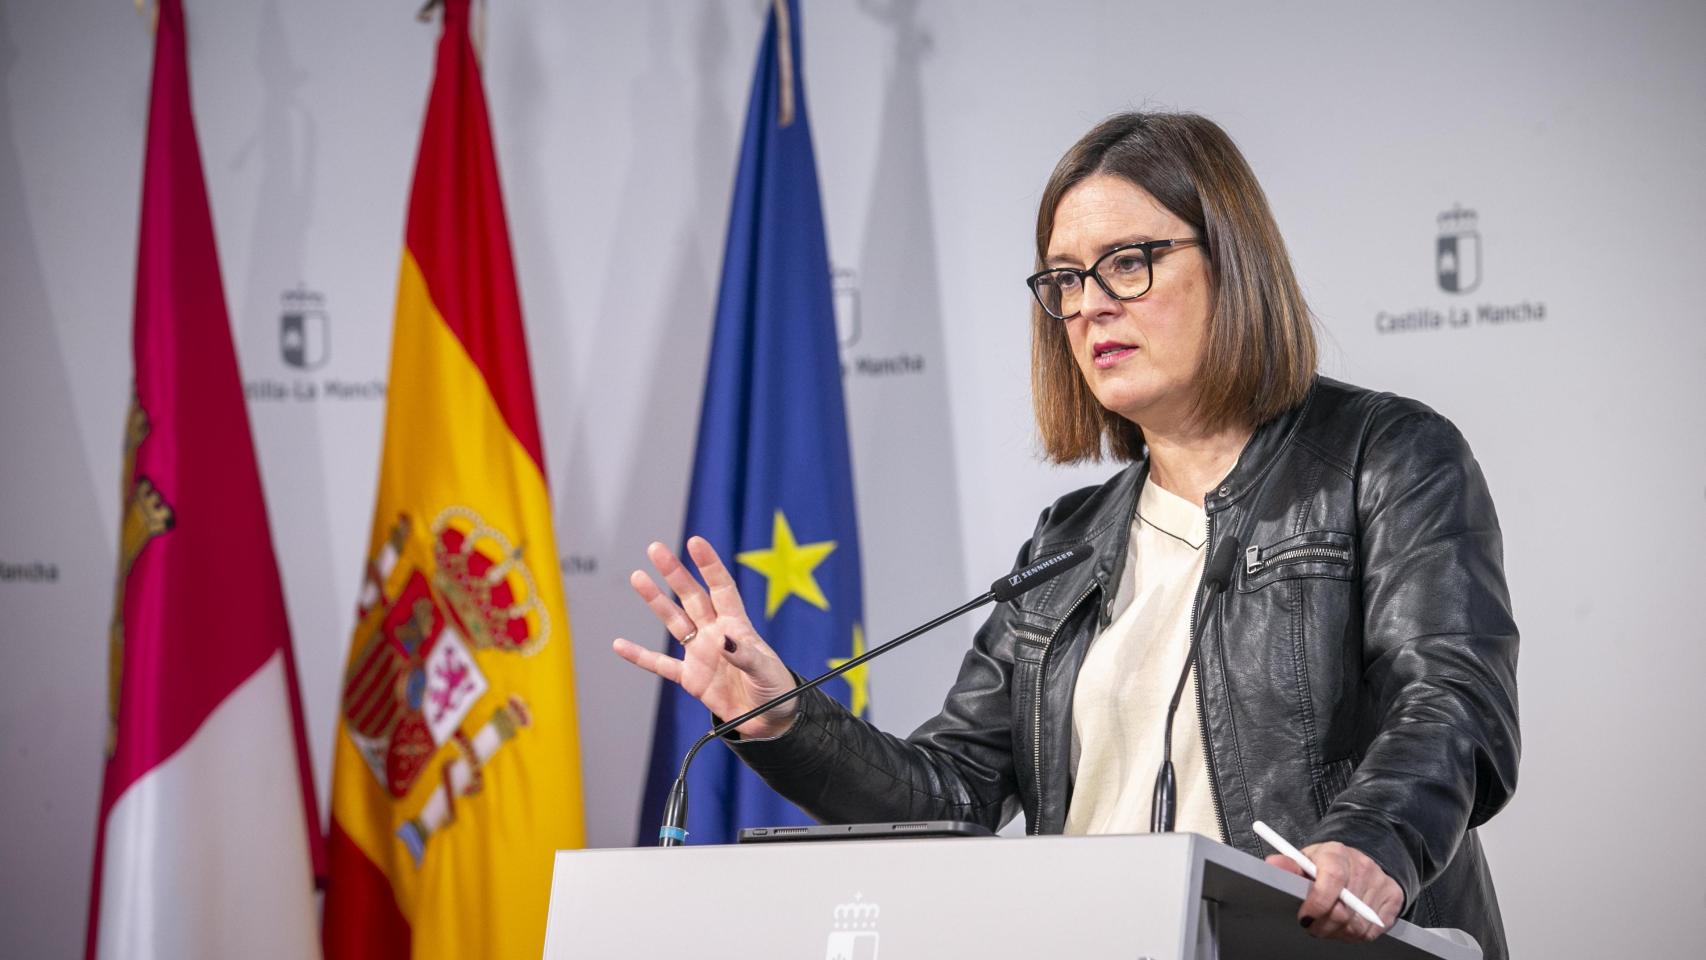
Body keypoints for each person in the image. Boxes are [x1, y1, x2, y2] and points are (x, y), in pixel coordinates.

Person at [612, 112, 1518, 956]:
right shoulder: (1068, 542)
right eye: (1066, 279)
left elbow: (1452, 699)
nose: (1089, 306)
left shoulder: (1384, 458)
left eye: (1128, 262)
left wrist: (1371, 841)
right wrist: (784, 718)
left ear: (1233, 260)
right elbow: (953, 792)